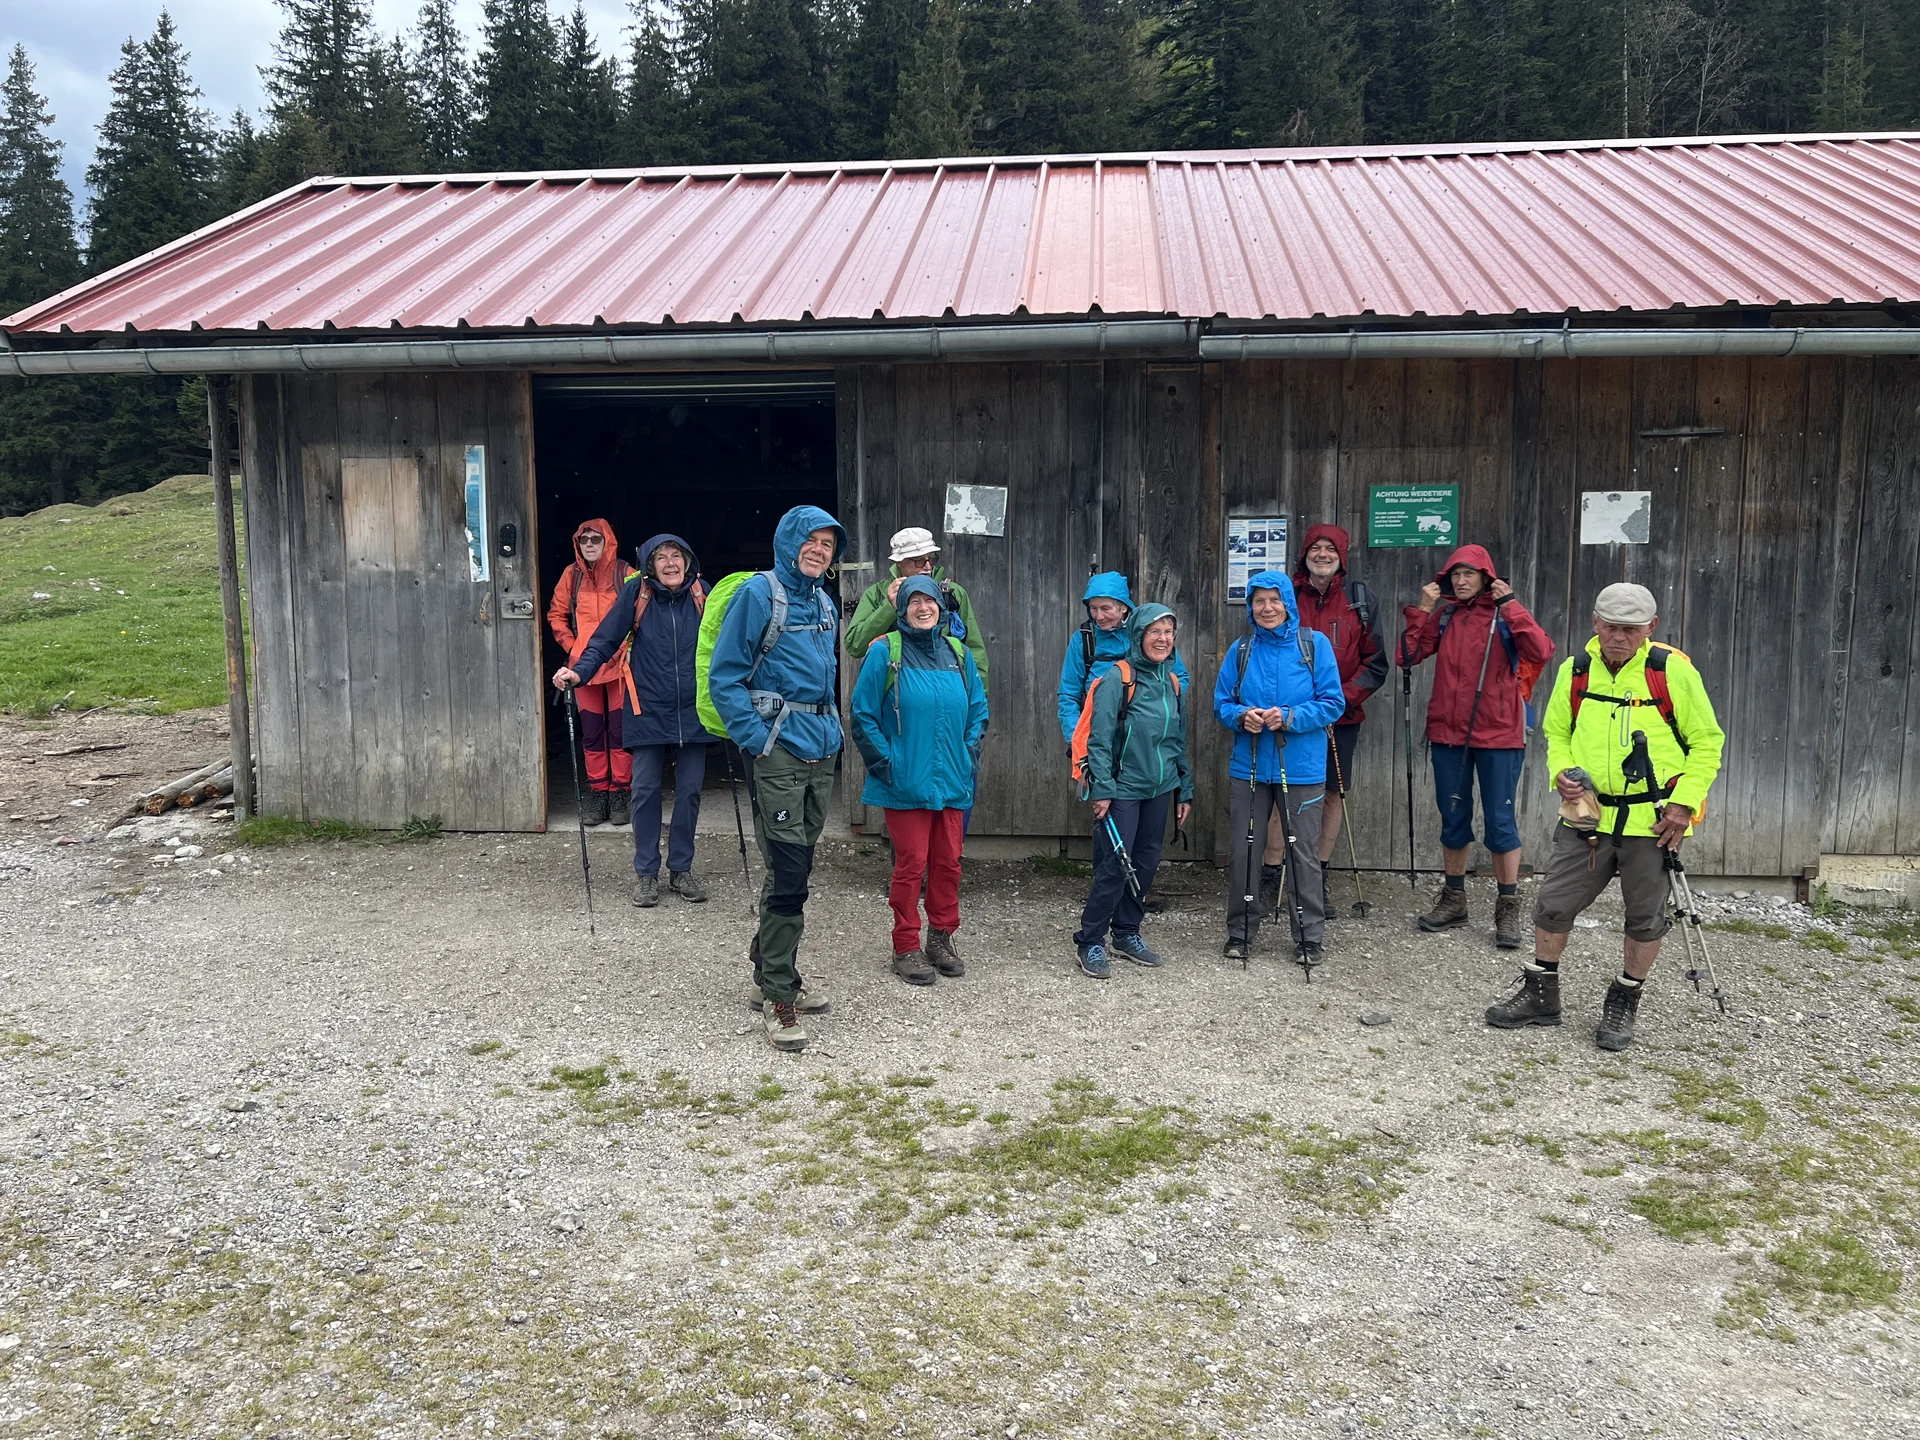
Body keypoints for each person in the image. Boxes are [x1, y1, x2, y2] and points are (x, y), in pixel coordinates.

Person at [1486, 583, 1725, 1050]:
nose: (1619, 637)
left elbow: (1707, 742)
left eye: (1631, 630)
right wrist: (1561, 773)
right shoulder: (1577, 670)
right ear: (1595, 622)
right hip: (1587, 815)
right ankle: (1541, 995)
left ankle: (1625, 999)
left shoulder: (1670, 671)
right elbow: (1557, 732)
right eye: (1611, 627)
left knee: (1644, 917)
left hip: (1653, 821)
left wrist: (1684, 803)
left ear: (1651, 627)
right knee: (1553, 903)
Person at [709, 505, 846, 1053]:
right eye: (811, 540)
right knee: (790, 872)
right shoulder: (759, 595)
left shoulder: (825, 602)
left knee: (795, 864)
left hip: (822, 747)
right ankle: (779, 994)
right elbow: (725, 678)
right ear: (789, 541)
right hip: (780, 750)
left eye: (828, 544)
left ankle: (767, 968)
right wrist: (759, 740)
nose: (819, 550)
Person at [1399, 544, 1554, 950]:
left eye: (1469, 574)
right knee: (1453, 816)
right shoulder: (1446, 615)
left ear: (1487, 578)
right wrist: (1423, 609)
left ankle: (1508, 906)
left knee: (1501, 821)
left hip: (1499, 733)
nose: (1461, 580)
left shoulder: (1504, 615)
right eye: (1455, 574)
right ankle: (1454, 900)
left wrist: (1511, 605)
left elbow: (1541, 651)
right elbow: (1407, 655)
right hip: (1448, 732)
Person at [559, 534, 713, 907]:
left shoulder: (702, 594)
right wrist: (579, 672)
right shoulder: (637, 593)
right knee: (644, 791)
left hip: (694, 710)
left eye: (677, 555)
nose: (671, 563)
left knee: (690, 792)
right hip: (647, 707)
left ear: (688, 560)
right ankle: (646, 873)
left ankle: (681, 869)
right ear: (649, 566)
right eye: (662, 558)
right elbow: (604, 640)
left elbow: (728, 643)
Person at [850, 576, 988, 985]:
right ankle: (906, 944)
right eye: (915, 601)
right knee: (910, 865)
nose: (923, 608)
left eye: (930, 601)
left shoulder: (959, 653)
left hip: (953, 779)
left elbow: (978, 712)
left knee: (948, 863)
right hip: (905, 780)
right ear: (902, 607)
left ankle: (941, 938)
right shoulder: (885, 652)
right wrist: (887, 764)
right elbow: (863, 714)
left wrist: (967, 757)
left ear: (941, 608)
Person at [1214, 572, 1347, 964]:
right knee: (1245, 850)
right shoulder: (1241, 649)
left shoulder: (1314, 645)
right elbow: (1222, 703)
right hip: (1250, 765)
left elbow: (1333, 703)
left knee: (1302, 853)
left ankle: (1309, 937)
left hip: (1301, 767)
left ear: (1288, 603)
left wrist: (1290, 716)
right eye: (1259, 601)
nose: (1267, 608)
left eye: (1274, 600)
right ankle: (1240, 932)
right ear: (1250, 606)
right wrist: (1241, 717)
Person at [1072, 604, 1192, 978]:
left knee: (1146, 863)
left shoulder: (1172, 682)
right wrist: (1103, 789)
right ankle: (1090, 940)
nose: (1162, 639)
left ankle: (1126, 933)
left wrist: (1184, 789)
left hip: (1160, 788)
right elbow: (1099, 739)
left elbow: (1177, 741)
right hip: (1122, 788)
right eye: (1154, 631)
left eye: (1168, 632)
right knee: (1114, 866)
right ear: (1138, 635)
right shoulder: (1118, 678)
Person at [1285, 524, 1386, 917]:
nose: (1322, 554)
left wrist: (1336, 702)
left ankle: (1317, 874)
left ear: (1341, 557)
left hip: (1341, 717)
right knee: (1282, 793)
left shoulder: (1360, 600)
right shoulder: (1288, 595)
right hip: (1291, 717)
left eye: (1330, 548)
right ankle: (1273, 873)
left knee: (1331, 794)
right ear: (1304, 554)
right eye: (1316, 547)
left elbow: (1375, 663)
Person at [545, 519, 636, 827]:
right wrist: (574, 648)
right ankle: (599, 794)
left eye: (595, 539)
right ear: (577, 543)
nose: (589, 544)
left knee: (620, 734)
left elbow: (640, 614)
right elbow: (556, 614)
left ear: (607, 541)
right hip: (583, 670)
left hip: (619, 668)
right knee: (593, 734)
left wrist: (626, 647)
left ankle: (621, 794)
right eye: (584, 540)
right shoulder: (571, 575)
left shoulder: (626, 573)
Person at [845, 526, 989, 690]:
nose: (927, 567)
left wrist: (977, 699)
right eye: (919, 560)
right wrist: (888, 608)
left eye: (931, 559)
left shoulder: (953, 594)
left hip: (947, 691)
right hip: (897, 694)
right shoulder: (878, 594)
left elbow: (975, 651)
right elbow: (854, 646)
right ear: (900, 562)